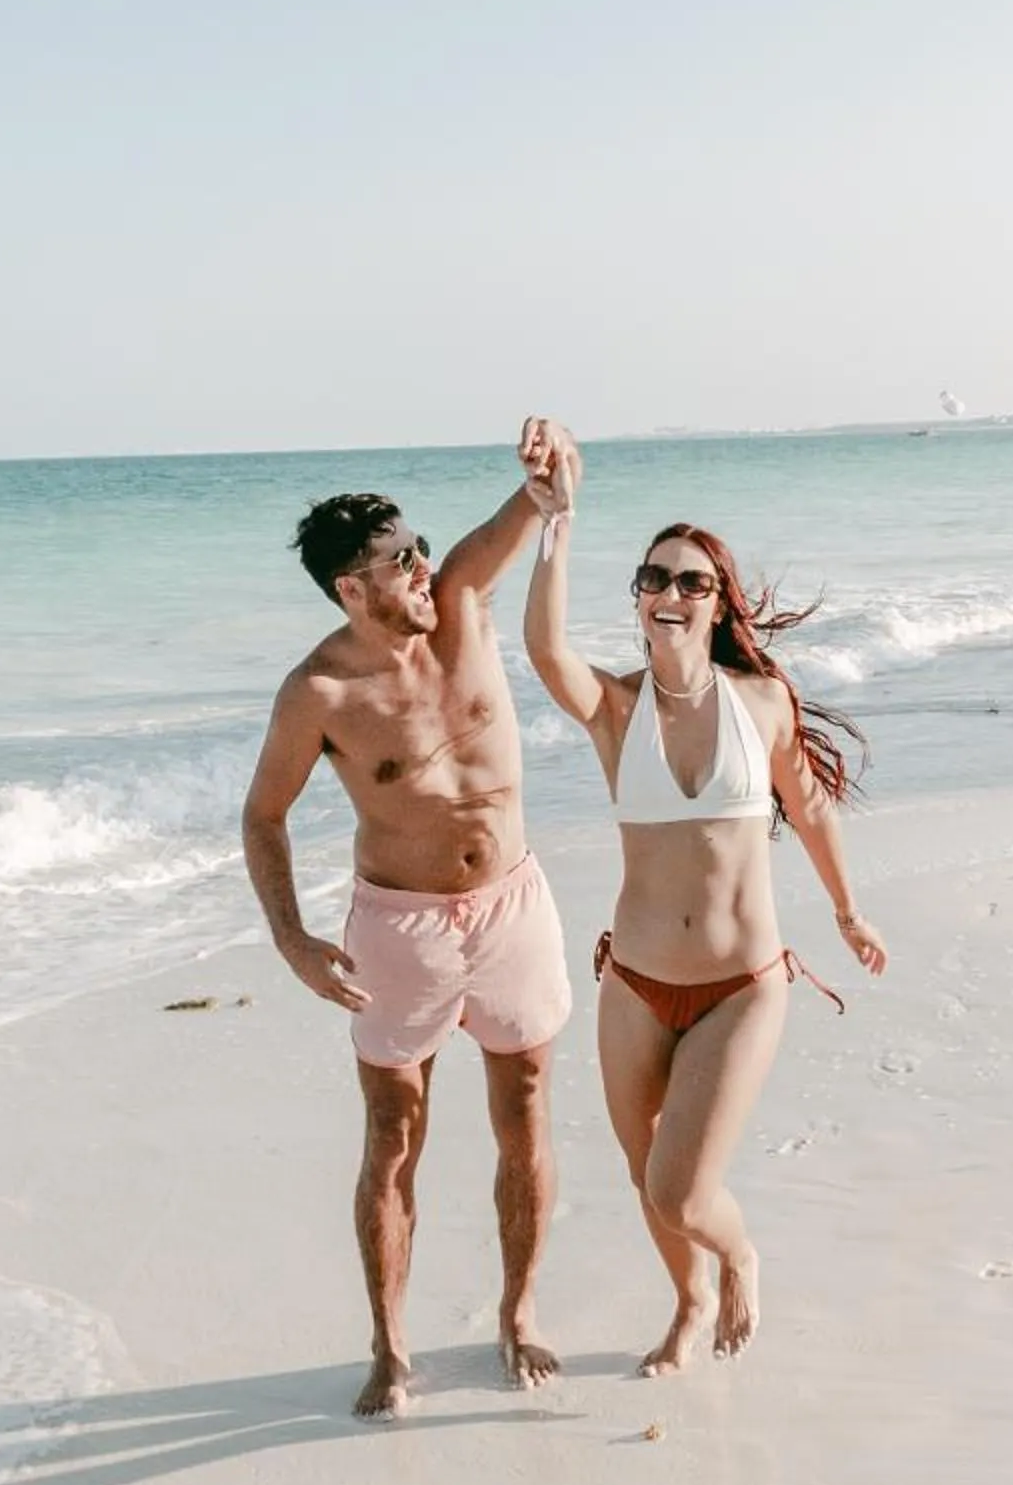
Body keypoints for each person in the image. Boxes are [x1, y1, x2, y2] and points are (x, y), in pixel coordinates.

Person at [522, 443, 886, 1372]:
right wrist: (556, 521)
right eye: (654, 578)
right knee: (645, 1176)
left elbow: (810, 808)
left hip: (740, 986)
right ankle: (688, 1304)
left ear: (717, 603)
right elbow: (543, 649)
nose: (670, 592)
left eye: (691, 580)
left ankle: (739, 1256)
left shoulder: (760, 702)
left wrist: (847, 912)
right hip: (634, 985)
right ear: (638, 599)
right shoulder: (615, 708)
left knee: (681, 1192)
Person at [242, 425, 578, 1417]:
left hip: (512, 906)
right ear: (352, 587)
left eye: (419, 546)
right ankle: (389, 1347)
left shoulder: (461, 603)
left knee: (525, 1107)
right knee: (394, 1133)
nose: (423, 566)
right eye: (400, 561)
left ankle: (518, 1313)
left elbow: (538, 503)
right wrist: (293, 940)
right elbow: (262, 816)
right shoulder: (320, 691)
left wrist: (550, 467)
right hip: (401, 927)